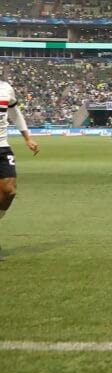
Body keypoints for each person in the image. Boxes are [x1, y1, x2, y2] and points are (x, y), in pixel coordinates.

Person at [0, 79, 41, 258]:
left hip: (1, 146)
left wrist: (27, 138)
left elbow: (15, 113)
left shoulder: (5, 88)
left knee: (9, 192)